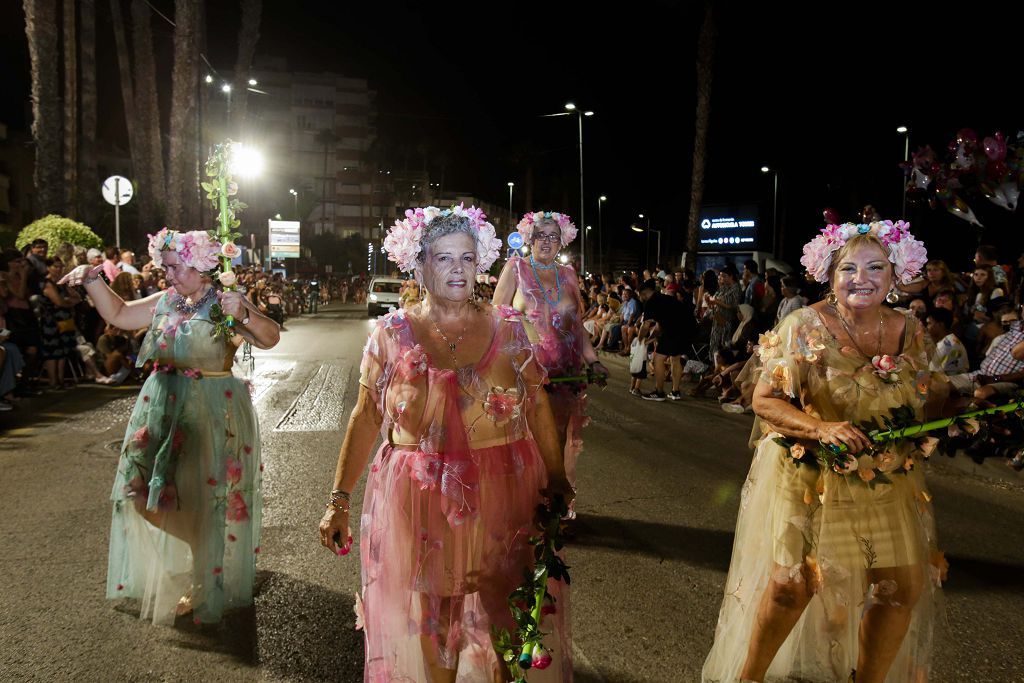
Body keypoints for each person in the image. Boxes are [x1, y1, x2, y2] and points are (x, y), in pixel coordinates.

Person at [319, 205, 573, 681]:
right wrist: (338, 499)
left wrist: (557, 476)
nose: (458, 268)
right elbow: (367, 415)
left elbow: (538, 406)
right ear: (418, 266)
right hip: (424, 497)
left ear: (481, 264)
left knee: (512, 612)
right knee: (438, 617)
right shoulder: (390, 335)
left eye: (467, 258)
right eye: (443, 258)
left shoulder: (511, 329)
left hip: (505, 491)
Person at [705, 220, 946, 683]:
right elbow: (765, 400)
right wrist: (821, 427)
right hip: (811, 474)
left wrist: (958, 411)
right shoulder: (803, 325)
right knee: (790, 589)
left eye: (876, 267)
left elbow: (927, 393)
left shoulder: (910, 329)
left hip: (885, 478)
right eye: (848, 268)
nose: (863, 278)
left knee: (902, 588)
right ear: (829, 275)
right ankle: (748, 678)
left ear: (895, 275)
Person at [60, 228, 281, 625]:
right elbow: (120, 314)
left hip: (209, 408)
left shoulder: (223, 303)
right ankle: (200, 549)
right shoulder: (166, 300)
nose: (169, 274)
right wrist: (93, 280)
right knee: (139, 492)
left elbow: (269, 337)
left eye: (176, 267)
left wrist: (244, 313)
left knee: (198, 499)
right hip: (162, 404)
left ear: (201, 266)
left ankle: (203, 576)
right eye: (166, 267)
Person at [494, 210, 607, 500]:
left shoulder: (568, 274)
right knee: (524, 444)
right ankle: (522, 508)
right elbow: (496, 319)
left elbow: (577, 326)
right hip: (524, 376)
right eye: (540, 235)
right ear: (530, 239)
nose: (546, 241)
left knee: (555, 445)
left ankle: (552, 508)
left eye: (553, 237)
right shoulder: (515, 267)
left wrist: (593, 361)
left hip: (564, 376)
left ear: (562, 243)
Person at [637, 278, 689, 401]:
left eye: (641, 296)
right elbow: (659, 326)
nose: (641, 298)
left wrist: (639, 339)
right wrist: (650, 339)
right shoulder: (665, 298)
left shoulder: (650, 303)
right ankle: (675, 391)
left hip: (672, 331)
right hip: (685, 329)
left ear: (644, 293)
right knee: (675, 359)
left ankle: (659, 392)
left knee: (658, 359)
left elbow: (645, 326)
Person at [708, 264, 742, 356]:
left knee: (724, 344)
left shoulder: (736, 288)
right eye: (721, 276)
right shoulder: (724, 287)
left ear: (731, 276)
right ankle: (714, 363)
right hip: (718, 318)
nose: (722, 278)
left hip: (727, 320)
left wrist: (716, 301)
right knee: (715, 342)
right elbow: (718, 299)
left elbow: (733, 306)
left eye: (724, 276)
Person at [926, 307, 968, 375]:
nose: (927, 327)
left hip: (950, 382)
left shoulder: (946, 345)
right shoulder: (950, 339)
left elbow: (930, 372)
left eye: (929, 323)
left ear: (940, 325)